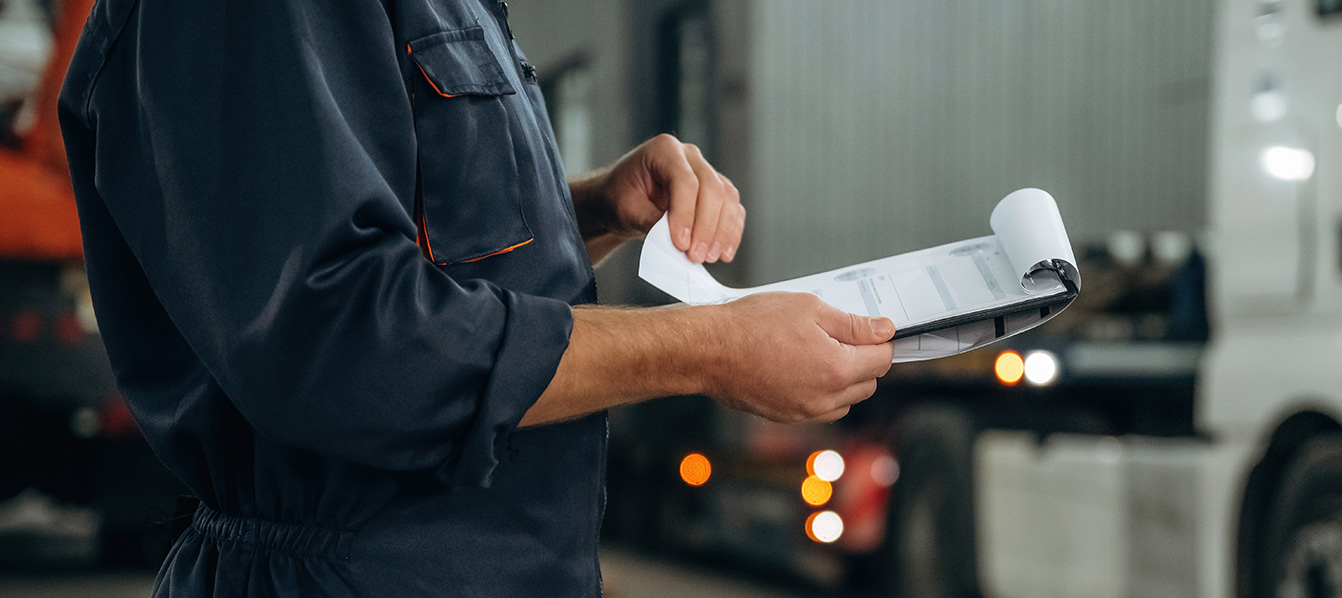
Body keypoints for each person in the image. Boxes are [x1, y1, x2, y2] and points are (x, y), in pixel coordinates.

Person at [56, 0, 896, 595]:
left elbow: (416, 242)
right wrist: (705, 348)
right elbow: (345, 343)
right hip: (343, 575)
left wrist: (597, 206)